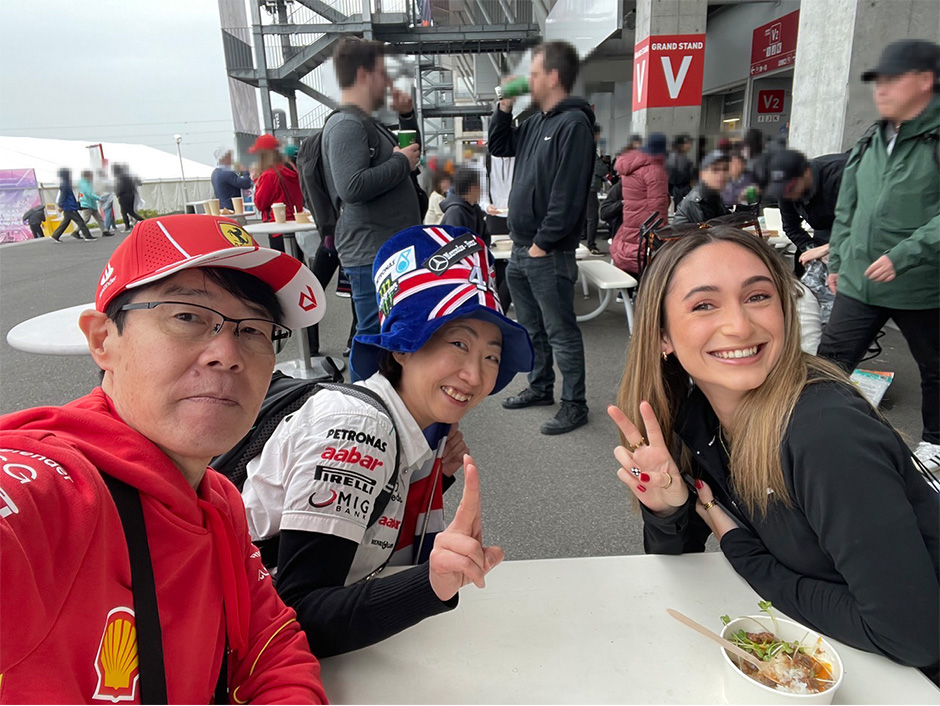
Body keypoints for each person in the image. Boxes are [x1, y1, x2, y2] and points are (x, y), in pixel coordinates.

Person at [0, 214, 329, 702]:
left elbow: (271, 647)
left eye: (254, 330)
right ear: (102, 340)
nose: (227, 353)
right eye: (188, 317)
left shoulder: (218, 500)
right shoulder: (57, 489)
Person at [607, 226, 939, 678]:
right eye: (704, 305)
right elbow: (679, 565)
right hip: (843, 655)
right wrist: (668, 512)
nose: (740, 326)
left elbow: (910, 635)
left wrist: (743, 552)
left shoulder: (825, 433)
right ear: (662, 335)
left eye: (758, 296)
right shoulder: (695, 418)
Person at [242, 224, 533, 657]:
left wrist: (438, 479)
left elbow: (370, 541)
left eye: (491, 355)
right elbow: (298, 616)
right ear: (402, 348)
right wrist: (431, 585)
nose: (475, 375)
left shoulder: (422, 428)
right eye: (458, 343)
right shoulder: (360, 429)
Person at [820, 39, 940, 471]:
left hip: (921, 284)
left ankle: (936, 443)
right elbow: (848, 209)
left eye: (893, 80)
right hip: (860, 280)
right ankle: (815, 435)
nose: (881, 89)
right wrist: (839, 262)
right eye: (878, 81)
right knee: (828, 365)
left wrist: (904, 255)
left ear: (925, 82)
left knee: (935, 367)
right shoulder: (871, 138)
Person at [488, 40, 595, 435]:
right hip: (521, 248)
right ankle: (540, 386)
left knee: (560, 331)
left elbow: (568, 194)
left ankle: (575, 404)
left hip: (546, 252)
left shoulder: (574, 125)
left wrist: (542, 243)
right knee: (531, 327)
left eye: (533, 74)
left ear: (552, 77)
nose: (527, 81)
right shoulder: (535, 123)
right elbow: (499, 145)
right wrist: (504, 104)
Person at [322, 37, 424, 380]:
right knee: (372, 335)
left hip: (384, 247)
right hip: (370, 250)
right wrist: (399, 163)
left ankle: (384, 399)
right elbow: (351, 186)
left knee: (388, 331)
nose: (389, 82)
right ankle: (361, 403)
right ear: (365, 74)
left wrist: (406, 116)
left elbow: (410, 158)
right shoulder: (347, 124)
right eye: (384, 73)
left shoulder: (366, 122)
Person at [763, 148, 849, 265]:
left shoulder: (842, 174)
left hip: (859, 237)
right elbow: (791, 227)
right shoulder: (786, 191)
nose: (787, 195)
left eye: (790, 189)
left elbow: (865, 225)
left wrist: (829, 248)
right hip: (824, 233)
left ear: (806, 172)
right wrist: (811, 249)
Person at [610, 132, 670, 277]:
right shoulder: (655, 170)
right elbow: (657, 206)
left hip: (631, 218)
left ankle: (627, 284)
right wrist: (663, 232)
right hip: (647, 221)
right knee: (644, 255)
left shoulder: (631, 167)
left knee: (632, 245)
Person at [250, 133, 305, 253]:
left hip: (277, 226)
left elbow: (260, 204)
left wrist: (256, 180)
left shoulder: (269, 174)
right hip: (296, 224)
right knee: (297, 260)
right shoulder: (290, 168)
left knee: (283, 261)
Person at [672, 151, 731, 225]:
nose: (721, 174)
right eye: (715, 170)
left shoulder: (714, 194)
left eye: (725, 170)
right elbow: (708, 229)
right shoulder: (696, 200)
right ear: (703, 174)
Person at [440, 167, 490, 244]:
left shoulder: (475, 208)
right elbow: (455, 245)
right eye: (479, 185)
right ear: (473, 188)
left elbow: (485, 237)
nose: (481, 189)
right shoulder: (455, 212)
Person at [50, 168, 95, 242]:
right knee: (80, 222)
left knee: (65, 222)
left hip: (68, 206)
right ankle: (87, 236)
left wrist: (62, 205)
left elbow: (63, 195)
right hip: (70, 206)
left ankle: (55, 235)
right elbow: (63, 195)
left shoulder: (64, 183)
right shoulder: (65, 184)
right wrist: (61, 205)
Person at [582, 125, 606, 255]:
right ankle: (591, 245)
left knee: (583, 215)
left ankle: (583, 237)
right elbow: (601, 169)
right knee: (592, 217)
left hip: (579, 187)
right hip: (590, 187)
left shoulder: (578, 148)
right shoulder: (590, 150)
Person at [211, 146, 253, 211]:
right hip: (232, 209)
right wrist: (245, 170)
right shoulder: (226, 173)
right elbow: (246, 184)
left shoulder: (215, 173)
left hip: (223, 208)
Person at [78, 170, 114, 237]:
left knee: (99, 219)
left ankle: (105, 231)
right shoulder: (84, 184)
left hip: (91, 204)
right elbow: (89, 194)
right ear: (87, 176)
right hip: (87, 204)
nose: (92, 177)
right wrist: (98, 198)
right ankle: (76, 231)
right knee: (86, 219)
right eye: (91, 175)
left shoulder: (86, 183)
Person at [665, 134, 694, 209]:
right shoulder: (682, 159)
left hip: (669, 192)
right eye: (687, 143)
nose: (689, 146)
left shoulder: (668, 157)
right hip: (680, 192)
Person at [114, 163, 145, 232]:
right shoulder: (130, 176)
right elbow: (139, 182)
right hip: (131, 195)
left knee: (126, 212)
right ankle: (129, 226)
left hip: (123, 197)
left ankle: (138, 222)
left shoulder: (119, 178)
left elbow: (120, 188)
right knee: (129, 211)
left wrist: (118, 194)